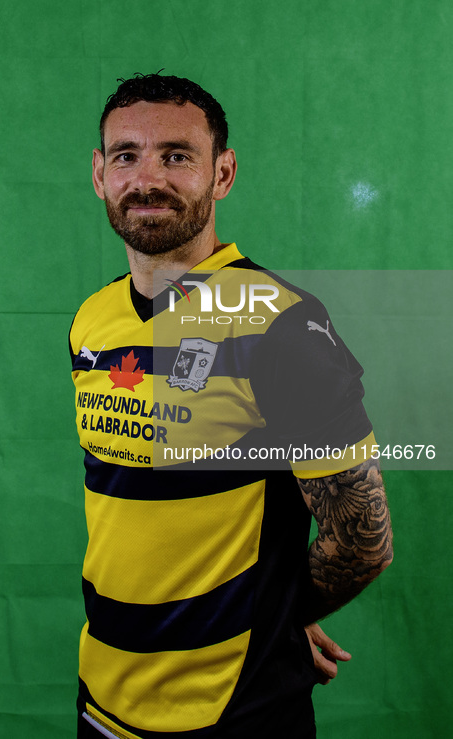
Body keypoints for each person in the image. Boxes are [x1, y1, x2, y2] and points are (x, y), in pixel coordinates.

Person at [69, 73, 393, 739]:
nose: (148, 177)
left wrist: (274, 614)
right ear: (100, 174)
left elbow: (362, 539)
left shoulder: (278, 325)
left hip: (235, 712)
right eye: (127, 155)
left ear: (222, 174)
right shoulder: (91, 319)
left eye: (177, 156)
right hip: (104, 693)